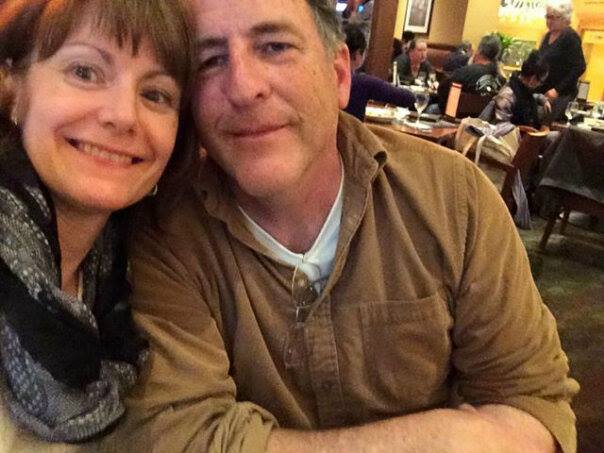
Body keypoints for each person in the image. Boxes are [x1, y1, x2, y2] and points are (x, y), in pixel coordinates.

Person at [104, 0, 578, 452]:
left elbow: (532, 406)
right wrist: (444, 439)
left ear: (338, 75)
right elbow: (180, 438)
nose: (244, 88)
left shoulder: (455, 199)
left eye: (274, 47)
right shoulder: (165, 232)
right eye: (209, 61)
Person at [0, 0, 193, 450]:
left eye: (155, 95)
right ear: (13, 90)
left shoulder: (126, 279)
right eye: (85, 72)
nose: (123, 116)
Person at [343, 22, 414, 120]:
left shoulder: (326, 77)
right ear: (357, 54)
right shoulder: (363, 82)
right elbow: (408, 98)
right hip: (350, 129)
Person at [537, 0, 586, 121]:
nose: (549, 21)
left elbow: (579, 67)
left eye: (553, 17)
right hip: (544, 93)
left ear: (565, 18)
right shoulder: (547, 36)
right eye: (547, 16)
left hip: (560, 95)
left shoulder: (570, 37)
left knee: (547, 126)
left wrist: (557, 90)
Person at [437, 33, 502, 112]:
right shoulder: (500, 80)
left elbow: (442, 88)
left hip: (455, 116)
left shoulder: (467, 72)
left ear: (479, 51)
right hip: (483, 118)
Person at [493, 50, 551, 129]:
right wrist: (522, 129)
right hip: (510, 135)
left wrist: (542, 99)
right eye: (541, 82)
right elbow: (499, 126)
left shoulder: (522, 87)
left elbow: (530, 96)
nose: (540, 85)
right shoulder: (507, 96)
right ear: (533, 79)